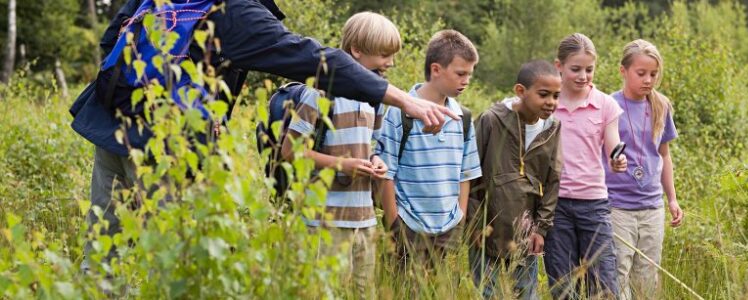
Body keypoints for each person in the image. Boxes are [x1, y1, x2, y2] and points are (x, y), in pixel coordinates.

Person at [72, 0, 456, 273]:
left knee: (104, 253)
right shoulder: (237, 12)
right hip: (170, 148)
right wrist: (405, 99)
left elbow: (112, 41)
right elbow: (318, 61)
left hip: (111, 123)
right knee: (174, 261)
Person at [278, 12, 402, 299]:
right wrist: (342, 164)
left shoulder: (377, 99)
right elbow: (289, 151)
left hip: (365, 220)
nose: (390, 62)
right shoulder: (320, 93)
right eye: (384, 54)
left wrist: (376, 161)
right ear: (357, 51)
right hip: (325, 221)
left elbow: (373, 146)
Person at [378, 29, 481, 270]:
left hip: (448, 229)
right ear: (436, 69)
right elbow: (385, 173)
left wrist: (460, 218)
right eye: (460, 73)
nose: (466, 80)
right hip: (407, 226)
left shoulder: (463, 117)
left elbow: (465, 174)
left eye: (470, 74)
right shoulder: (399, 112)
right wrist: (394, 223)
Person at [468, 60, 562, 300]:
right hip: (486, 230)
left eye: (556, 95)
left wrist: (541, 229)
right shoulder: (491, 120)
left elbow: (552, 181)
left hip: (526, 233)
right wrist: (474, 224)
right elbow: (470, 173)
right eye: (544, 94)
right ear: (521, 91)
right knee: (486, 293)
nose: (551, 102)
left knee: (526, 295)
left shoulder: (552, 128)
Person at [544, 33, 628, 299]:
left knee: (603, 282)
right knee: (563, 283)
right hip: (555, 205)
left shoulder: (605, 104)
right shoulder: (549, 103)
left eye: (589, 70)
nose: (583, 76)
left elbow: (613, 144)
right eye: (575, 69)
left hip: (593, 204)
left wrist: (618, 159)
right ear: (559, 66)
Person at [605, 39, 683, 300]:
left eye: (653, 74)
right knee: (618, 273)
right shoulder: (609, 107)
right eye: (641, 73)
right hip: (617, 206)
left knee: (647, 276)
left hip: (651, 206)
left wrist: (671, 198)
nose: (648, 80)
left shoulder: (660, 106)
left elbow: (664, 155)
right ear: (623, 71)